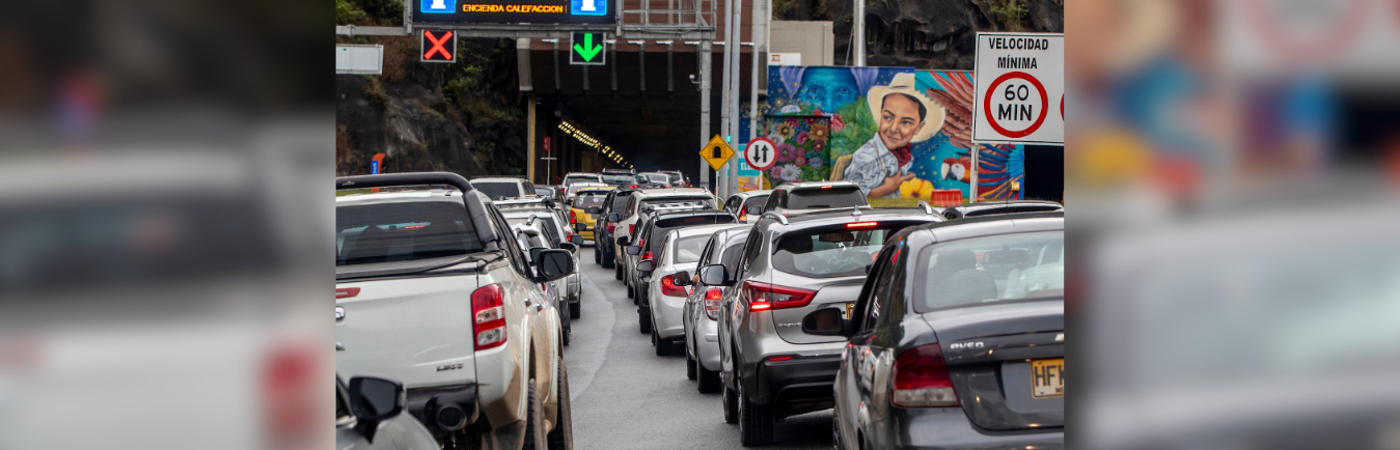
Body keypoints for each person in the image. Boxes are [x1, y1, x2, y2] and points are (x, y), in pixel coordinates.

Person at [842, 73, 944, 198]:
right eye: (888, 117)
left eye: (906, 122)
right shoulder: (868, 157)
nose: (893, 128)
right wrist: (886, 189)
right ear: (881, 115)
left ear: (919, 127)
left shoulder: (903, 154)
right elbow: (848, 194)